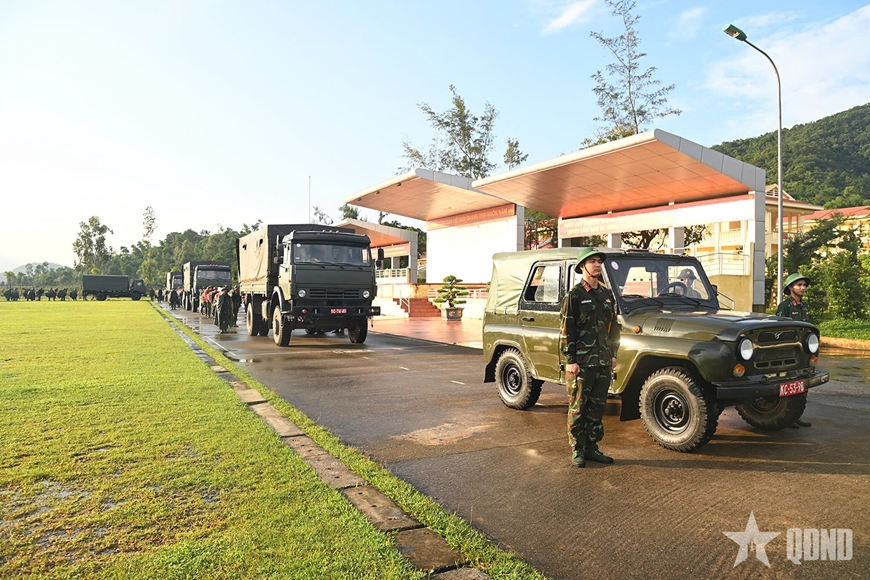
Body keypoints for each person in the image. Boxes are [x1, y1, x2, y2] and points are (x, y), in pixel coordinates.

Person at [559, 248, 620, 468]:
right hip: (581, 363)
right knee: (578, 408)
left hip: (602, 362)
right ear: (582, 266)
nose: (597, 265)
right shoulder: (574, 295)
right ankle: (578, 449)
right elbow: (567, 330)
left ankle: (592, 447)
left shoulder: (605, 294)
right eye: (592, 261)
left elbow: (614, 327)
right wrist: (570, 360)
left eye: (599, 261)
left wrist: (613, 354)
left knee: (597, 408)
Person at [776, 273, 813, 428]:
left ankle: (797, 415)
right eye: (799, 285)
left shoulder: (804, 306)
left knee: (803, 384)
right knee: (789, 384)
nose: (803, 288)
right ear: (791, 288)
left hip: (804, 352)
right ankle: (788, 418)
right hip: (790, 352)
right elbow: (779, 329)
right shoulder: (784, 306)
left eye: (804, 285)